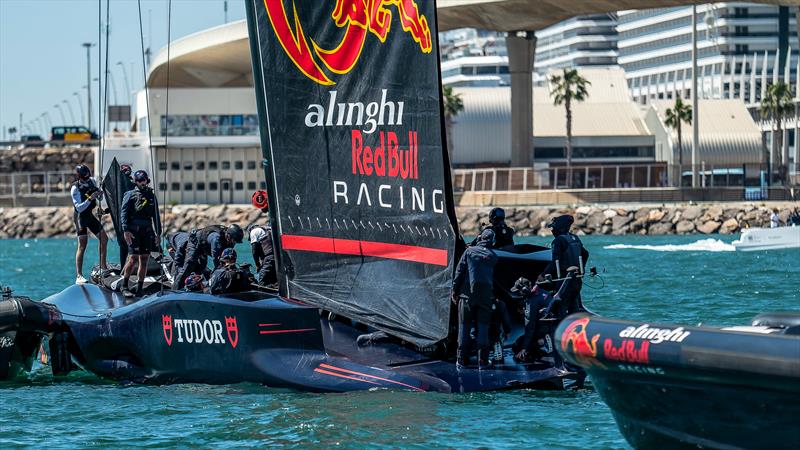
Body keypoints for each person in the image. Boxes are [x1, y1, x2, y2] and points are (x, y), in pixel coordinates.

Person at [452, 228, 498, 369]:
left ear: (480, 238)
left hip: (467, 296)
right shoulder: (494, 256)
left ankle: (461, 360)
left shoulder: (469, 252)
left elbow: (459, 271)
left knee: (464, 328)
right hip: (485, 298)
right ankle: (482, 361)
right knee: (483, 329)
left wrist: (454, 291)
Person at [119, 170, 161, 297]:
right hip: (133, 231)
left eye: (144, 180)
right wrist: (125, 230)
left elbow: (156, 216)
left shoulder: (151, 196)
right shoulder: (130, 194)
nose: (143, 183)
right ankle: (124, 285)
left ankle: (140, 287)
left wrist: (158, 233)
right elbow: (124, 213)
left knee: (144, 259)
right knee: (132, 258)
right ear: (136, 182)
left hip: (147, 231)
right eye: (140, 181)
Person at [538, 214, 589, 317]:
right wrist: (581, 269)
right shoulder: (575, 238)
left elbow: (554, 261)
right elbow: (585, 254)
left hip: (564, 281)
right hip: (576, 280)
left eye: (553, 227)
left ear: (559, 228)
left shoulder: (558, 241)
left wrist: (543, 274)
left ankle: (561, 329)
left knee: (561, 309)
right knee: (574, 307)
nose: (552, 230)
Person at [170, 224, 244, 290]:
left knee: (201, 267)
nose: (234, 243)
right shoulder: (216, 238)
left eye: (236, 241)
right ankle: (175, 290)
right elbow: (217, 262)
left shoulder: (229, 241)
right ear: (228, 236)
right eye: (234, 240)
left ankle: (196, 287)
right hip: (195, 242)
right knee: (189, 265)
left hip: (204, 248)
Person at [70, 164, 108, 284]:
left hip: (90, 216)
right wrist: (90, 199)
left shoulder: (92, 181)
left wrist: (99, 194)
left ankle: (103, 267)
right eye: (84, 178)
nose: (87, 179)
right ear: (79, 177)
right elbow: (79, 208)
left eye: (88, 177)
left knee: (104, 239)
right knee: (82, 245)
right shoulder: (75, 188)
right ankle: (79, 275)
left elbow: (100, 199)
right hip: (80, 218)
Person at [510, 277, 555, 363]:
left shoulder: (531, 302)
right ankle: (546, 339)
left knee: (516, 346)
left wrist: (524, 348)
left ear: (525, 290)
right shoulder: (543, 292)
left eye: (519, 291)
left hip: (542, 330)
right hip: (553, 328)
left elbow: (530, 328)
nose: (519, 293)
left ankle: (543, 341)